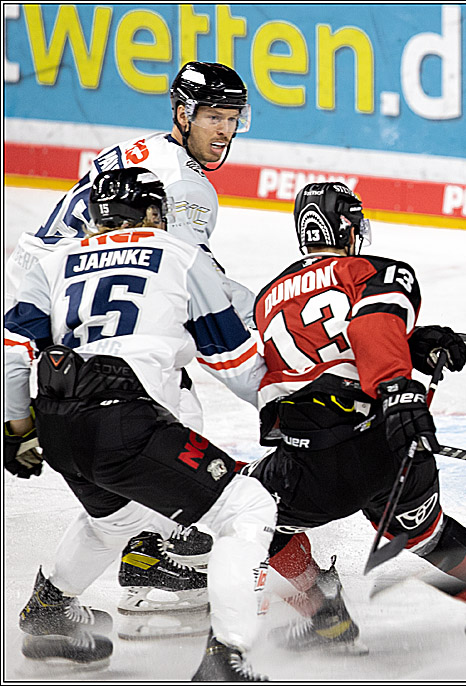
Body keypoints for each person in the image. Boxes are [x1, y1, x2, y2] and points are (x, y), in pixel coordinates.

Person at [244, 181, 466, 649]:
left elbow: (310, 361)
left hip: (310, 465)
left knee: (247, 511)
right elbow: (371, 324)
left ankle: (325, 616)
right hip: (387, 444)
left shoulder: (267, 298)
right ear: (347, 225)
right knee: (428, 534)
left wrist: (411, 347)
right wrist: (399, 383)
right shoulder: (377, 270)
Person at [4, 60, 255, 616]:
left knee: (156, 411)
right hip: (80, 294)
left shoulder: (136, 151)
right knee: (165, 406)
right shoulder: (185, 186)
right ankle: (148, 557)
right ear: (182, 113)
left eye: (233, 118)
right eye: (214, 116)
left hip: (62, 292)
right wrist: (275, 310)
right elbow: (187, 277)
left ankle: (84, 580)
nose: (225, 131)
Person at [3, 168, 275, 680]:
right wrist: (288, 404)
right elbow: (236, 365)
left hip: (61, 420)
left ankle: (50, 612)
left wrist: (16, 429)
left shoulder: (55, 260)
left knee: (120, 522)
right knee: (248, 506)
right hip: (127, 416)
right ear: (152, 213)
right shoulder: (179, 252)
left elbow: (14, 351)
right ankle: (229, 659)